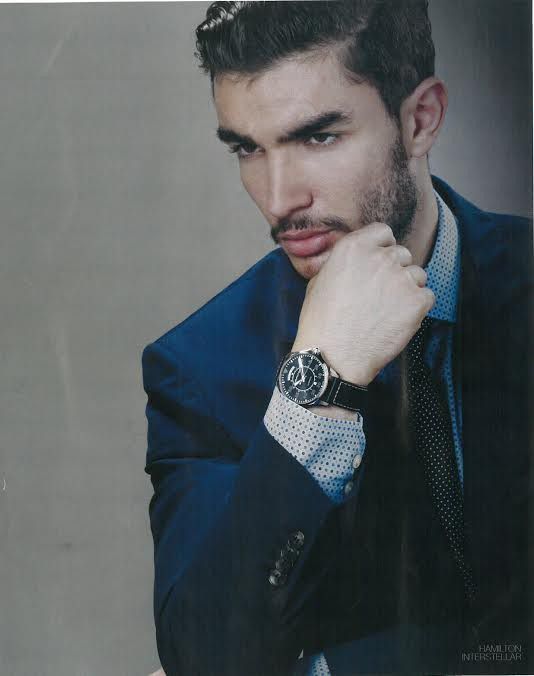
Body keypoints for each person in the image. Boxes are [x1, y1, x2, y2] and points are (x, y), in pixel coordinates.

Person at [142, 2, 532, 674]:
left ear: (420, 120)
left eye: (318, 138)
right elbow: (204, 660)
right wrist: (318, 385)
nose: (279, 200)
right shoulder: (201, 368)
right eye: (247, 148)